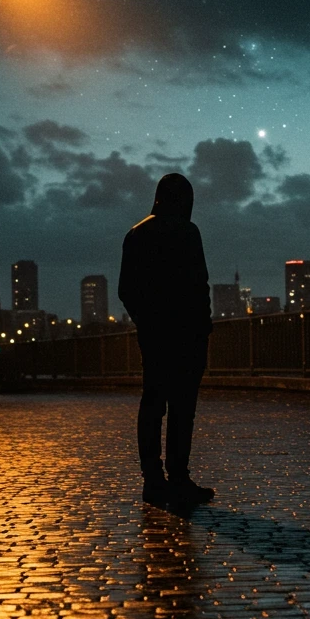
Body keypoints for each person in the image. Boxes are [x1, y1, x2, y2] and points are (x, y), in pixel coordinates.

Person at [119, 174, 215, 507]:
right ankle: (179, 478)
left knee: (153, 405)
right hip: (188, 334)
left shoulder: (136, 234)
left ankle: (153, 480)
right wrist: (202, 326)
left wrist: (147, 322)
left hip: (155, 335)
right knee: (182, 409)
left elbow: (126, 290)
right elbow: (200, 285)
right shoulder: (188, 232)